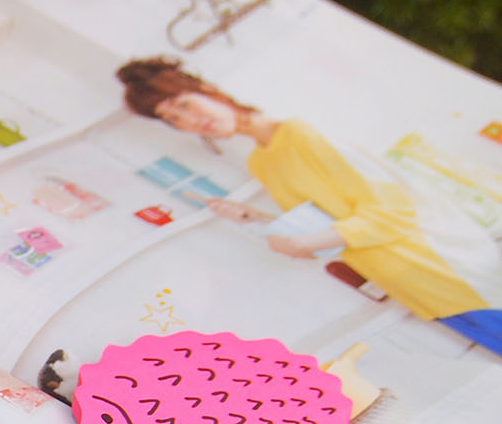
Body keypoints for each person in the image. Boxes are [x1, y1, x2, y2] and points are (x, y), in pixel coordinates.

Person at [116, 57, 502, 354]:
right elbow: (330, 225)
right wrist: (255, 218)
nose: (188, 120)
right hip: (421, 292)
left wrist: (308, 242)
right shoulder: (261, 161)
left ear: (208, 90)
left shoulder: (300, 134)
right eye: (173, 118)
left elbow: (395, 211)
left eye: (183, 103)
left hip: (453, 272)